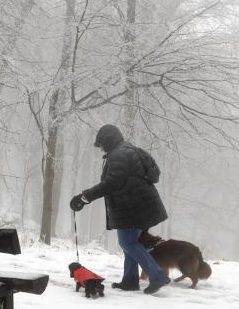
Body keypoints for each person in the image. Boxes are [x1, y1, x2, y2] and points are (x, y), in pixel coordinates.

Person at [69, 124, 171, 294]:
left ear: (108, 141)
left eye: (101, 144)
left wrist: (84, 197)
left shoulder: (118, 155)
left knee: (128, 242)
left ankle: (157, 275)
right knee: (130, 243)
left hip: (133, 207)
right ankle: (130, 280)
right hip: (139, 206)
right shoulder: (128, 150)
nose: (100, 148)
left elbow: (111, 184)